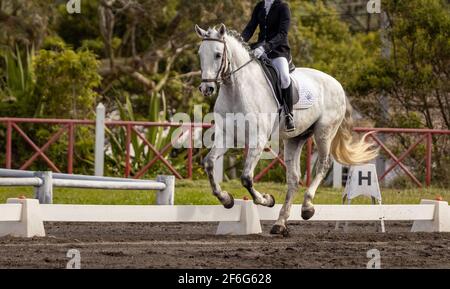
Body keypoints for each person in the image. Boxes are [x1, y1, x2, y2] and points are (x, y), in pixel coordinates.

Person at [242, 0, 295, 132]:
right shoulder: (260, 6)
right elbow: (250, 28)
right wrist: (239, 41)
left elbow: (282, 34)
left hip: (278, 51)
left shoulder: (283, 7)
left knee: (284, 78)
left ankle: (289, 114)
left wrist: (266, 47)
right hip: (259, 49)